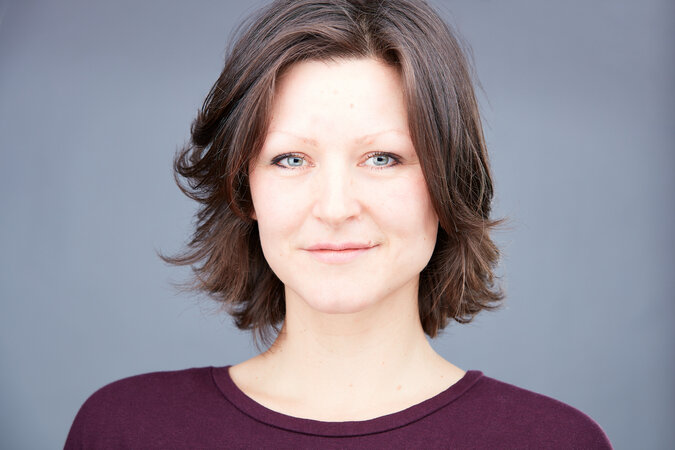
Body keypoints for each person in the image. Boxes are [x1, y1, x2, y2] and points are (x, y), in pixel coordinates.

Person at [65, 0, 613, 448]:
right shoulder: (123, 430)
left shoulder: (556, 442)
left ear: (447, 184)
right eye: (290, 159)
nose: (334, 207)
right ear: (244, 189)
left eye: (382, 158)